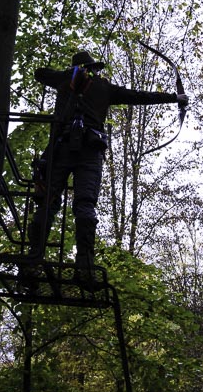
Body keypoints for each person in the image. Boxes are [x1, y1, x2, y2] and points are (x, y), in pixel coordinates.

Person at [21, 49, 188, 282]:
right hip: (87, 151)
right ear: (93, 68)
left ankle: (34, 261)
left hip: (64, 149)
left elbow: (41, 73)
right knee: (82, 205)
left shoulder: (66, 81)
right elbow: (137, 96)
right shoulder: (100, 87)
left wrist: (68, 75)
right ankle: (84, 267)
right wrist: (175, 98)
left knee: (51, 203)